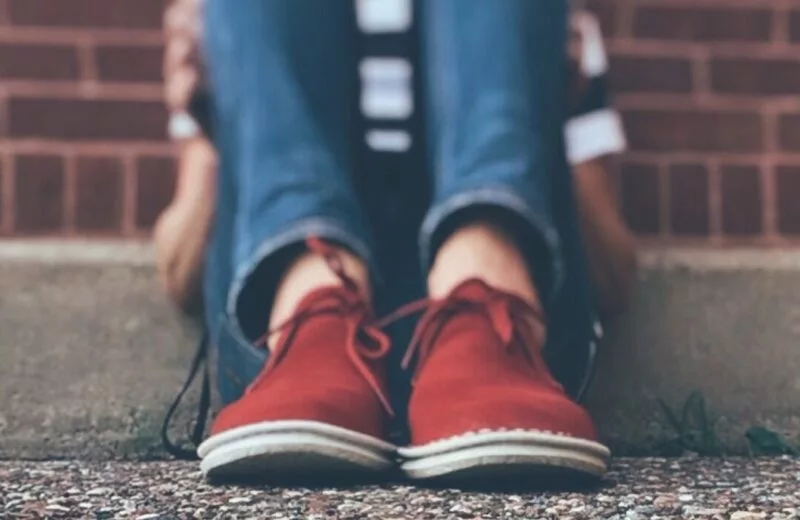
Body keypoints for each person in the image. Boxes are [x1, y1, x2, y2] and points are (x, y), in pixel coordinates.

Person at [159, 0, 636, 485]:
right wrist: (216, 128)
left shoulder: (535, 18)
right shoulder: (237, 19)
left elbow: (612, 279)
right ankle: (313, 311)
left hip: (511, 349)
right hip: (286, 352)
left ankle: (483, 288)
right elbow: (181, 277)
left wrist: (547, 118)